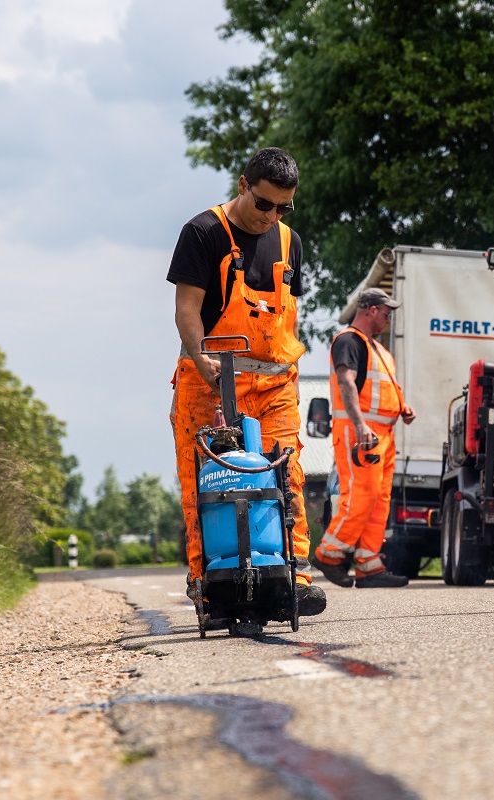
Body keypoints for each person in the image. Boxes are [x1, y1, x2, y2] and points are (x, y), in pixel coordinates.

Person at [166, 146, 325, 616]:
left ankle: (292, 578)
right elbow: (187, 311)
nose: (271, 215)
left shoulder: (289, 242)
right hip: (208, 382)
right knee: (203, 484)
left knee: (285, 478)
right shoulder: (202, 233)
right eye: (264, 204)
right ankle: (207, 583)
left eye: (283, 207)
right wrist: (201, 359)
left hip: (275, 387)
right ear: (243, 185)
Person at [311, 288, 416, 588]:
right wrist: (360, 426)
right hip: (360, 433)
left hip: (382, 435)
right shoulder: (348, 341)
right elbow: (346, 382)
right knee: (360, 497)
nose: (387, 318)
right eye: (386, 312)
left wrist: (401, 408)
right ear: (370, 309)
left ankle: (369, 565)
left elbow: (378, 389)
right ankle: (328, 553)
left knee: (379, 500)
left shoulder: (379, 350)